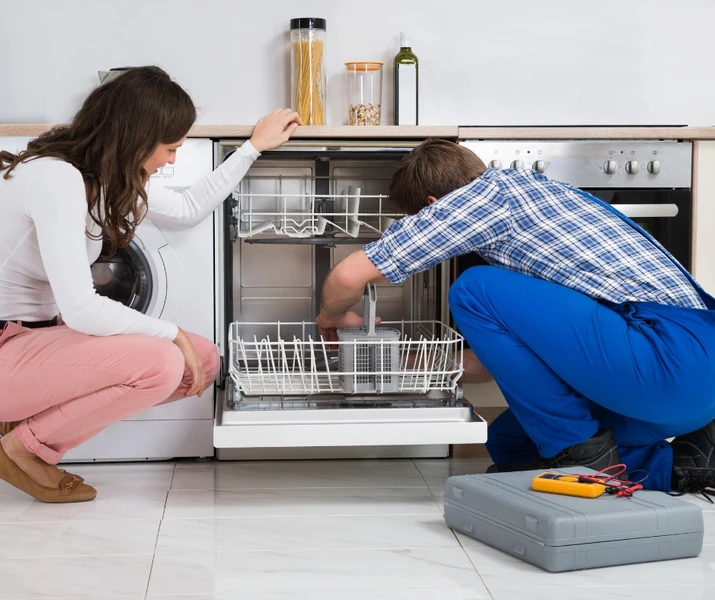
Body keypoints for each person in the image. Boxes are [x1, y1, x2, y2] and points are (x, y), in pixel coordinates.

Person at [316, 138, 715, 495]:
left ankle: (582, 459)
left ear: (436, 207)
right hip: (694, 391)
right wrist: (395, 363)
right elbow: (489, 366)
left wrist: (331, 321)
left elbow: (348, 274)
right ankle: (684, 467)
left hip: (668, 359)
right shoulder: (540, 199)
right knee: (511, 444)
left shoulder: (484, 199)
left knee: (475, 288)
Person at [0, 66, 302, 503]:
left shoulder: (101, 178)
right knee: (163, 361)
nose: (172, 160)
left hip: (33, 340)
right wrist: (171, 331)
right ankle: (22, 451)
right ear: (136, 137)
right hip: (7, 343)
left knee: (202, 359)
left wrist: (253, 147)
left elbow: (186, 208)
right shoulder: (56, 177)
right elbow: (82, 308)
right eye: (170, 148)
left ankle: (22, 428)